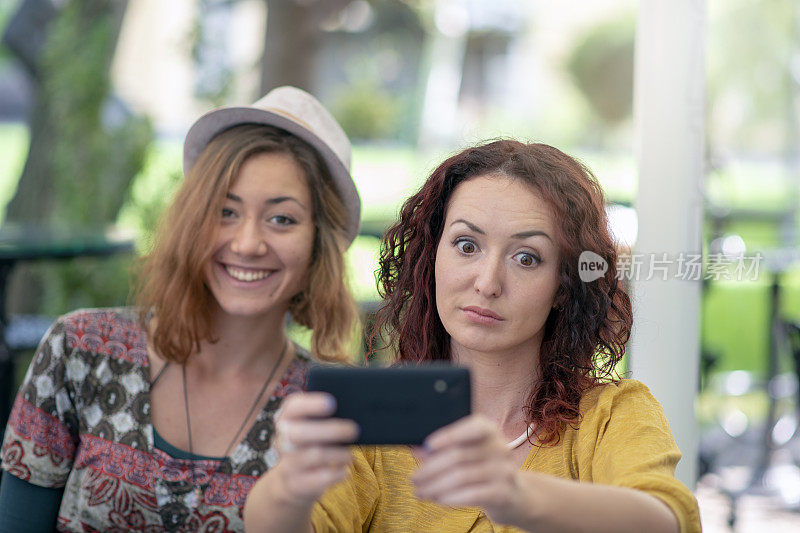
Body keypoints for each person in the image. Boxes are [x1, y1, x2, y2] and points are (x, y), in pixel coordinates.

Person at [243, 140, 702, 533]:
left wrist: (515, 492)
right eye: (467, 245)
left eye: (526, 258)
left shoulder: (612, 415)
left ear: (564, 286)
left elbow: (667, 520)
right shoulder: (376, 422)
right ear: (432, 256)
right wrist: (289, 485)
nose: (487, 282)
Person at [0, 86, 362, 531]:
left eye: (282, 219)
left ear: (318, 246)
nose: (248, 244)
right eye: (226, 212)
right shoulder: (80, 350)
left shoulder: (323, 409)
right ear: (192, 221)